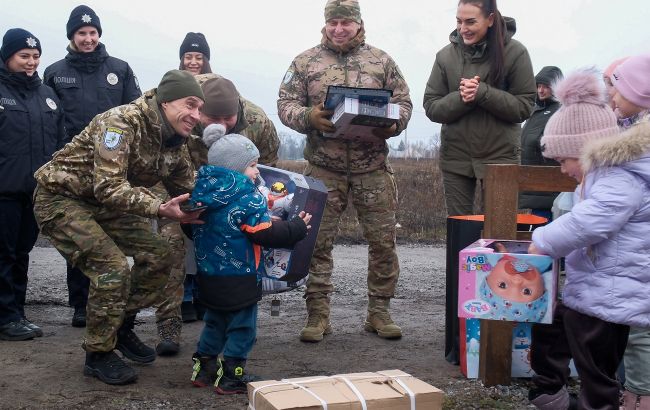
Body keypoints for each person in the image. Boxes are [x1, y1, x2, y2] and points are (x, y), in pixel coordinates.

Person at [32, 69, 206, 385]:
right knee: (111, 269)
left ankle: (120, 326)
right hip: (61, 199)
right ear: (166, 101)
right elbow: (108, 187)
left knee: (159, 254)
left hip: (104, 206)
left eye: (199, 108)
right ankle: (98, 354)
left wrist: (228, 205)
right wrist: (158, 207)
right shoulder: (121, 123)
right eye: (190, 105)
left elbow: (188, 187)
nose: (196, 115)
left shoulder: (173, 139)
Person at [277, 0, 412, 342]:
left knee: (383, 242)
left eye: (345, 23)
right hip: (324, 168)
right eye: (333, 22)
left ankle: (379, 314)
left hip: (373, 168)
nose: (339, 29)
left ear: (358, 24)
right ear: (325, 24)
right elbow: (285, 104)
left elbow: (404, 103)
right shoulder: (305, 61)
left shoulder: (381, 60)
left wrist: (393, 126)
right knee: (316, 243)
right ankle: (318, 316)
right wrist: (308, 117)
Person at [526, 68, 650, 410]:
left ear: (585, 150)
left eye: (564, 159)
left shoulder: (620, 179)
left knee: (596, 369)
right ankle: (549, 392)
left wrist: (544, 239)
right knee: (553, 329)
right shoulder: (603, 177)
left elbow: (590, 222)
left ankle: (598, 405)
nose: (563, 169)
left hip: (611, 299)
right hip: (594, 290)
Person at [188, 124, 310, 394]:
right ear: (234, 168)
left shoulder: (201, 193)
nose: (257, 171)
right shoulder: (247, 197)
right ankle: (232, 375)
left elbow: (192, 226)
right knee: (243, 327)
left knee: (215, 321)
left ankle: (204, 368)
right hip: (240, 277)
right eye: (253, 165)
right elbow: (264, 234)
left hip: (208, 276)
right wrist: (296, 229)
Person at [44, 4, 142, 328]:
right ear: (72, 36)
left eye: (92, 32)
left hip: (113, 167)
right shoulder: (56, 73)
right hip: (74, 169)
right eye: (81, 33)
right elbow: (51, 120)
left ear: (99, 34)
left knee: (111, 235)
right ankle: (80, 305)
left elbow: (135, 113)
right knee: (80, 238)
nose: (88, 38)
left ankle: (116, 304)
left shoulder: (120, 69)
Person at [423, 0, 535, 217]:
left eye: (471, 22)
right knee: (459, 231)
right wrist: (463, 97)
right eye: (459, 21)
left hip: (501, 159)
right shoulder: (445, 56)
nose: (463, 28)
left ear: (490, 19)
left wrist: (483, 93)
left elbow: (524, 107)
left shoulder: (516, 53)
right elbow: (431, 106)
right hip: (455, 157)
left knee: (499, 232)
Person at [0, 28, 66, 341]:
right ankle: (5, 316)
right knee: (3, 255)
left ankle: (17, 313)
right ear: (8, 56)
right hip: (4, 191)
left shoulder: (47, 96)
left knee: (23, 252)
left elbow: (59, 141)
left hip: (35, 192)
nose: (31, 62)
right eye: (24, 56)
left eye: (35, 56)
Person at [608, 53, 650, 410]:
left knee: (640, 331)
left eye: (617, 87)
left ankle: (639, 396)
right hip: (637, 249)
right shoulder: (629, 131)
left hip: (642, 252)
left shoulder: (639, 144)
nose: (611, 95)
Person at [519, 66, 563, 219]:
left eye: (546, 86)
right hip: (533, 187)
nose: (541, 90)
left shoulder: (561, 111)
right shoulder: (535, 111)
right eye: (539, 86)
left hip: (549, 189)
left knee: (546, 236)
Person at [479, 254, 549, 322]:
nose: (517, 281)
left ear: (488, 277)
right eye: (526, 291)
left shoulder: (491, 256)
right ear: (543, 290)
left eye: (502, 285)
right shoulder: (545, 260)